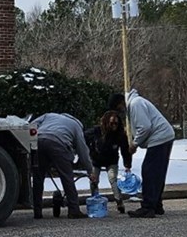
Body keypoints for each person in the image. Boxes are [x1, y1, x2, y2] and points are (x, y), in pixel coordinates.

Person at [109, 90, 174, 218]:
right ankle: (156, 205)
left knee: (149, 172)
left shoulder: (135, 104)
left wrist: (134, 144)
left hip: (159, 138)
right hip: (164, 137)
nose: (119, 112)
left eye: (118, 109)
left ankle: (148, 207)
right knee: (157, 173)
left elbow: (145, 127)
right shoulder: (136, 103)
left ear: (121, 102)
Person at [32, 113, 98, 219]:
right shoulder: (76, 126)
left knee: (38, 178)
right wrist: (90, 171)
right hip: (59, 144)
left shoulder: (49, 115)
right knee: (67, 177)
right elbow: (83, 151)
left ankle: (37, 212)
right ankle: (74, 210)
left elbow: (31, 124)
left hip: (39, 141)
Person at [85, 110, 132, 214]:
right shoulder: (96, 131)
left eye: (116, 123)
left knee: (113, 179)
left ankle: (119, 201)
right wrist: (89, 151)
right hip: (96, 159)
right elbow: (83, 139)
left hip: (111, 160)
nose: (114, 126)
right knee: (94, 180)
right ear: (106, 123)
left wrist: (127, 164)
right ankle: (95, 199)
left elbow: (125, 150)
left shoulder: (120, 134)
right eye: (112, 123)